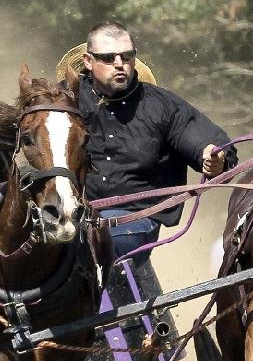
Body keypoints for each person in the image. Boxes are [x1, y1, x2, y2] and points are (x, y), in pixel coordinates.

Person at [69, 21, 237, 265]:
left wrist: (215, 161)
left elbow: (212, 148)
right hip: (70, 215)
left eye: (126, 56)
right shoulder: (62, 102)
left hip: (134, 219)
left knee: (100, 243)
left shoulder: (163, 107)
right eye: (108, 57)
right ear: (88, 61)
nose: (119, 64)